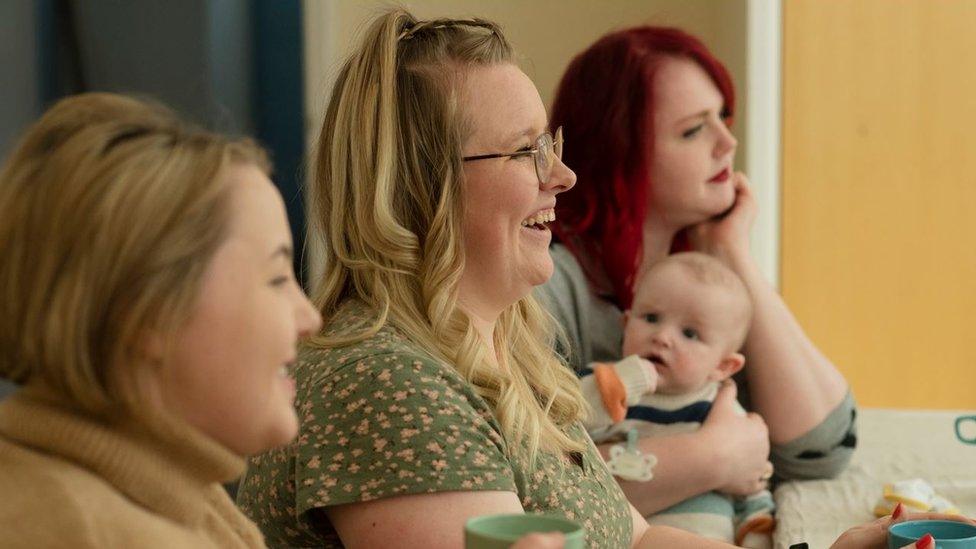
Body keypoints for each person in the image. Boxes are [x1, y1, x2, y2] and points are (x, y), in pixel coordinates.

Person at [235, 9, 971, 549]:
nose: (564, 174)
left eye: (548, 143)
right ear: (417, 190)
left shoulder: (511, 357)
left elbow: (640, 539)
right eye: (525, 152)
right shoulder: (387, 380)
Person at [539, 25, 858, 516]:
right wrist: (717, 456)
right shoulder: (549, 285)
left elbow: (822, 448)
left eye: (722, 118)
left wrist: (733, 252)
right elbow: (538, 486)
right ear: (618, 154)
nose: (727, 143)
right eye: (693, 129)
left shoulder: (704, 275)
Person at [0, 93, 322, 547]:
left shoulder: (188, 496)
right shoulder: (53, 527)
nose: (311, 317)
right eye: (275, 277)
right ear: (147, 308)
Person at [581, 252, 774, 548]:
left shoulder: (721, 411)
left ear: (723, 367)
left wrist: (756, 531)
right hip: (620, 537)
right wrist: (626, 379)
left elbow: (751, 481)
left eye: (689, 333)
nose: (663, 337)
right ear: (626, 323)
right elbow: (563, 422)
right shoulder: (606, 382)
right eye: (651, 318)